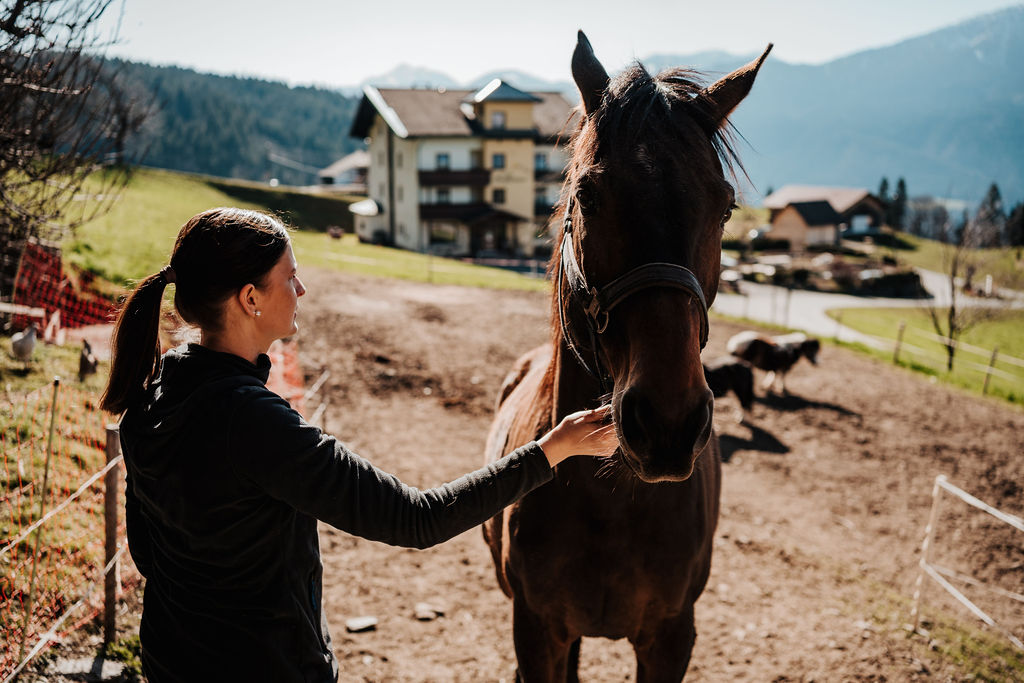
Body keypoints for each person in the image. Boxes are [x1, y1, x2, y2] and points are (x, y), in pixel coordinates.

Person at [100, 207, 617, 683]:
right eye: (289, 276)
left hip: (169, 661)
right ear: (250, 298)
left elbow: (147, 554)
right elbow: (417, 518)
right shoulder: (254, 424)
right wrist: (553, 448)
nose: (301, 289)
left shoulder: (151, 397)